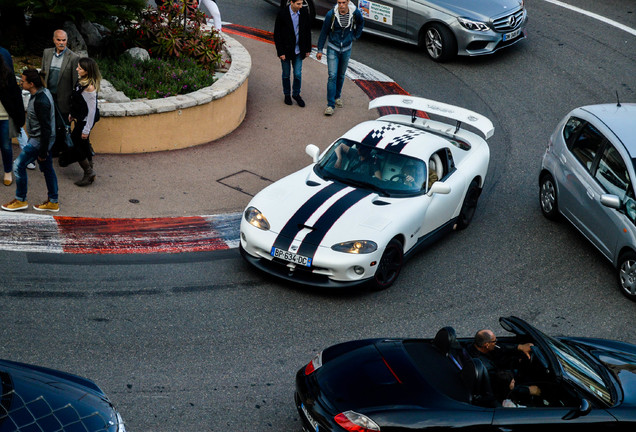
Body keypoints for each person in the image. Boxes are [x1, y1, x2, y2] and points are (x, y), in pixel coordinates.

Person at [2, 69, 59, 212]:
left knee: (18, 165)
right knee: (47, 169)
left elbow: (45, 128)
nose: (20, 83)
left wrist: (43, 151)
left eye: (23, 81)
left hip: (39, 141)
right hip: (43, 140)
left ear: (31, 84)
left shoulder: (41, 101)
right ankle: (53, 201)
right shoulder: (43, 93)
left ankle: (20, 200)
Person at [316, 0, 364, 116]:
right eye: (339, 2)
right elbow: (324, 32)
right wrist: (320, 49)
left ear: (348, 2)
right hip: (333, 47)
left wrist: (355, 36)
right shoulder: (331, 14)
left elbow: (361, 22)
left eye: (343, 2)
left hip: (347, 48)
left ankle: (337, 96)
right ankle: (330, 105)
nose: (341, 5)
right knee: (332, 75)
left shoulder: (354, 12)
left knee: (341, 75)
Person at [467, 329, 540, 404]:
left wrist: (520, 347)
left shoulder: (472, 346)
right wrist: (528, 390)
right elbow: (501, 387)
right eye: (494, 341)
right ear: (487, 345)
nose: (496, 343)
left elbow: (499, 348)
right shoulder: (486, 368)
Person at [41, 29, 79, 154]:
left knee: (61, 125)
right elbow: (43, 73)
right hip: (48, 95)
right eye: (59, 40)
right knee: (47, 123)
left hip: (63, 98)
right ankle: (48, 148)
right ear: (54, 40)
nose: (61, 43)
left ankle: (59, 150)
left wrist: (73, 103)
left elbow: (75, 82)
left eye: (64, 40)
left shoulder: (74, 58)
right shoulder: (47, 53)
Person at [66, 57, 101, 186]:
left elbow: (91, 112)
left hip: (85, 121)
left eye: (80, 68)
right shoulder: (81, 82)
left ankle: (88, 171)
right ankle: (89, 169)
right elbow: (77, 101)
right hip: (80, 117)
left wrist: (86, 130)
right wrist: (72, 114)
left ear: (86, 71)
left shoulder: (90, 88)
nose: (77, 69)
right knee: (84, 144)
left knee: (77, 144)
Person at [274, 0, 312, 107]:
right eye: (298, 4)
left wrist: (307, 49)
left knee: (297, 74)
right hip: (285, 51)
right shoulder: (282, 14)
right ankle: (287, 94)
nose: (301, 6)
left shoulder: (304, 12)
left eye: (301, 4)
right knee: (286, 75)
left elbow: (307, 31)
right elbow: (277, 34)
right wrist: (280, 52)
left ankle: (296, 94)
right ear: (291, 2)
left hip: (299, 50)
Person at [0, 52, 25, 187]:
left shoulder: (7, 75)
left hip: (4, 116)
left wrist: (19, 119)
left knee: (6, 146)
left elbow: (16, 96)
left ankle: (8, 171)